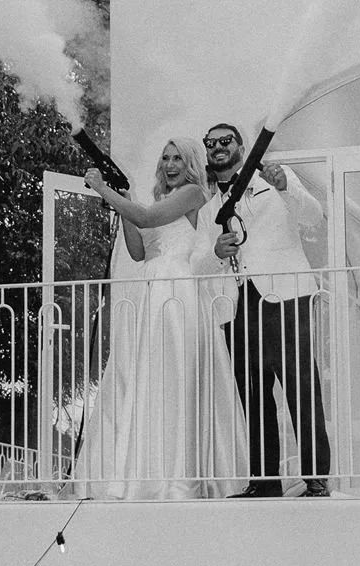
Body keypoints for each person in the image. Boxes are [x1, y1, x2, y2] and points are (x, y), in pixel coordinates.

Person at [78, 138, 245, 499]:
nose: (170, 165)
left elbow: (147, 218)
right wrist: (122, 203)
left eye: (178, 159)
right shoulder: (157, 201)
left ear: (190, 165)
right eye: (166, 158)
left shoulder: (192, 193)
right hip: (150, 287)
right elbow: (139, 251)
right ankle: (147, 471)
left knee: (174, 377)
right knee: (147, 377)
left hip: (176, 291)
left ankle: (179, 478)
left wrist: (106, 190)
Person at [201, 122, 332, 498]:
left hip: (286, 296)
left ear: (241, 145)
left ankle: (316, 478)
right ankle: (264, 480)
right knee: (253, 394)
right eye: (211, 144)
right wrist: (215, 253)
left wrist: (285, 186)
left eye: (225, 141)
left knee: (301, 388)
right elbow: (198, 261)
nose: (218, 147)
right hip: (238, 304)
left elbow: (312, 217)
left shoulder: (275, 178)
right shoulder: (211, 205)